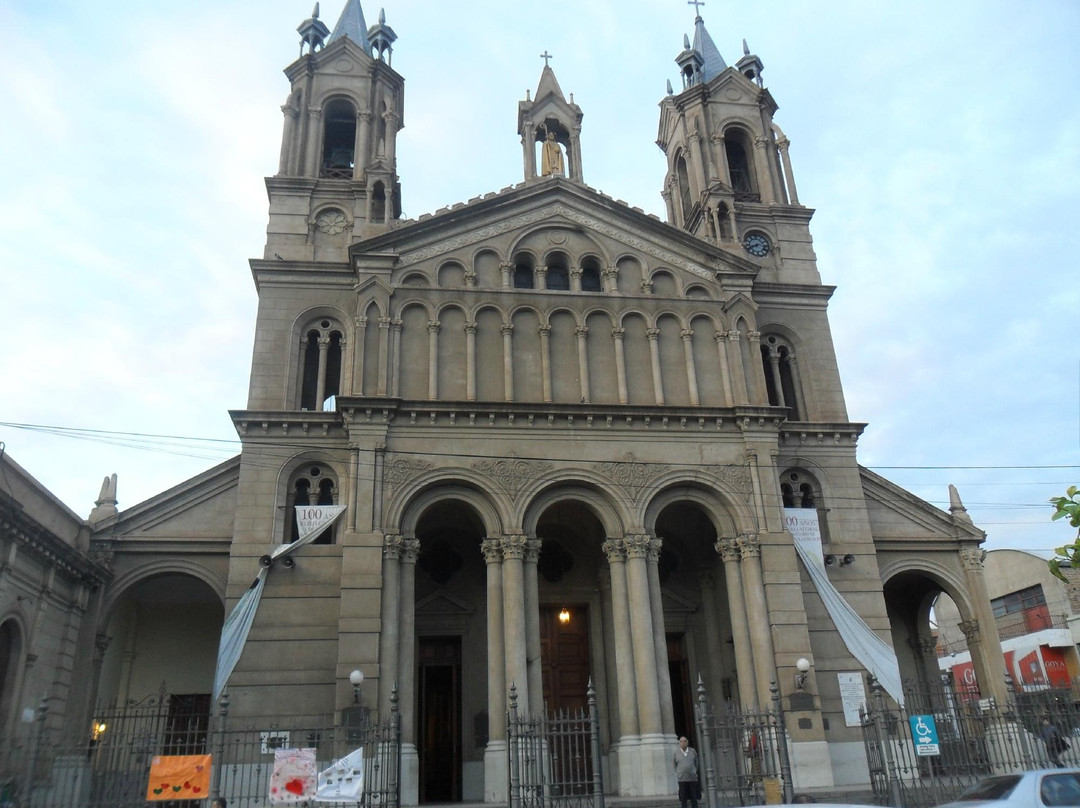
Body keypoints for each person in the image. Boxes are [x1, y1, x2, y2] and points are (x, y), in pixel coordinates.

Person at [673, 736, 701, 808]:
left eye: (684, 741)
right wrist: (679, 772)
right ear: (679, 743)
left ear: (687, 742)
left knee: (694, 797)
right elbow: (674, 765)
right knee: (683, 798)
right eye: (681, 741)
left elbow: (696, 763)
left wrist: (693, 771)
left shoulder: (692, 751)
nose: (683, 743)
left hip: (692, 778)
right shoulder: (676, 752)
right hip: (682, 779)